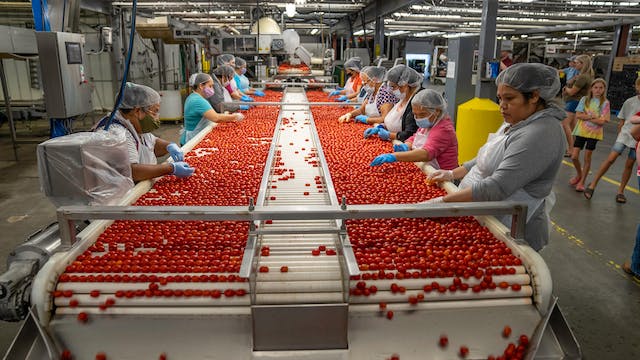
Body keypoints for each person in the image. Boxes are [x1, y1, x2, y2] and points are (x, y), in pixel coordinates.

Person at [426, 63, 566, 251]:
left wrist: (442, 202)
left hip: (513, 227)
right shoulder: (518, 120)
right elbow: (485, 157)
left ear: (534, 96)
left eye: (509, 98)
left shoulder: (541, 132)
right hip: (487, 215)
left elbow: (498, 187)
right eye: (499, 98)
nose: (502, 106)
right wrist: (451, 174)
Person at [94, 82, 194, 182]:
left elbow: (152, 144)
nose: (157, 116)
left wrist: (169, 146)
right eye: (155, 111)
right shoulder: (116, 132)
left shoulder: (135, 125)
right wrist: (170, 168)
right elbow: (133, 172)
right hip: (118, 194)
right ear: (137, 111)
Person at [369, 89, 458, 171]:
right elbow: (417, 136)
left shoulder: (444, 129)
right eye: (415, 114)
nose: (418, 118)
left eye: (422, 115)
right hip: (427, 169)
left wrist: (395, 156)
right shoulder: (430, 122)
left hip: (440, 173)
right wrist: (407, 145)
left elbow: (426, 154)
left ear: (437, 111)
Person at [584, 76, 640, 203]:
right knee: (611, 158)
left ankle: (620, 191)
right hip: (625, 135)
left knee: (629, 164)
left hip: (637, 140)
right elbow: (622, 120)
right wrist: (620, 135)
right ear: (636, 87)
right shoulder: (630, 102)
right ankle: (593, 184)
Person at [569, 78, 610, 192]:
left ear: (604, 89)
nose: (598, 90)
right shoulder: (585, 99)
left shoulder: (605, 103)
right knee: (574, 156)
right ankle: (579, 175)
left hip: (594, 134)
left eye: (600, 88)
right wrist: (594, 117)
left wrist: (586, 116)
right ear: (591, 88)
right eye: (595, 87)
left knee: (587, 157)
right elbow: (578, 115)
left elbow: (603, 121)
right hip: (581, 131)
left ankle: (582, 181)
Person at [181, 73, 244, 146]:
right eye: (210, 86)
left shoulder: (193, 97)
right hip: (192, 139)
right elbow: (216, 118)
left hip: (197, 135)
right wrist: (235, 116)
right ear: (201, 86)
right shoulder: (197, 100)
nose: (212, 89)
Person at [363, 64, 421, 143]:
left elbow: (410, 133)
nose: (392, 90)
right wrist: (382, 126)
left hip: (403, 143)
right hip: (392, 141)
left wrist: (389, 135)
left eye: (393, 87)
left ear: (404, 85)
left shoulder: (417, 102)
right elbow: (392, 119)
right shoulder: (403, 97)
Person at [561, 54, 594, 155]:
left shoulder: (583, 77)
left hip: (573, 102)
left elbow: (572, 92)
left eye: (577, 63)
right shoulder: (586, 75)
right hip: (578, 102)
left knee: (564, 124)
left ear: (583, 64)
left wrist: (566, 89)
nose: (574, 64)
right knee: (573, 127)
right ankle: (575, 148)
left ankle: (571, 149)